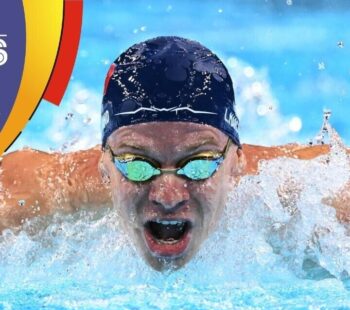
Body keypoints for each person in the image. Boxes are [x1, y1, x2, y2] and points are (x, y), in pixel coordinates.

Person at [0, 36, 349, 271]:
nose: (168, 195)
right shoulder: (40, 196)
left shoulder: (304, 194)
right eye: (138, 166)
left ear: (236, 162)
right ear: (103, 164)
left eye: (197, 165)